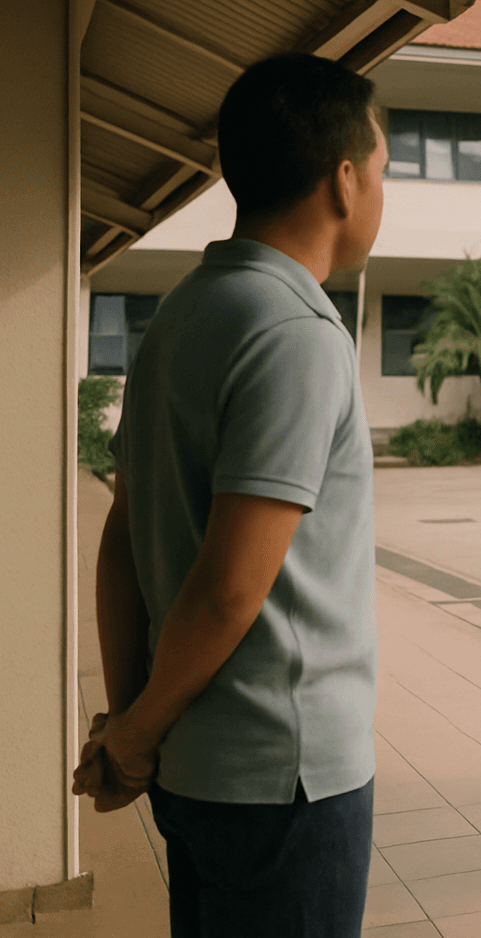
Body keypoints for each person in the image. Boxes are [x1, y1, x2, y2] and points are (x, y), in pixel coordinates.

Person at [70, 53, 385, 937]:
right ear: (345, 179)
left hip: (201, 774)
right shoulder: (296, 331)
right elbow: (227, 589)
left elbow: (124, 534)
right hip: (285, 781)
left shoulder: (185, 311)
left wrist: (136, 714)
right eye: (386, 169)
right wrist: (132, 734)